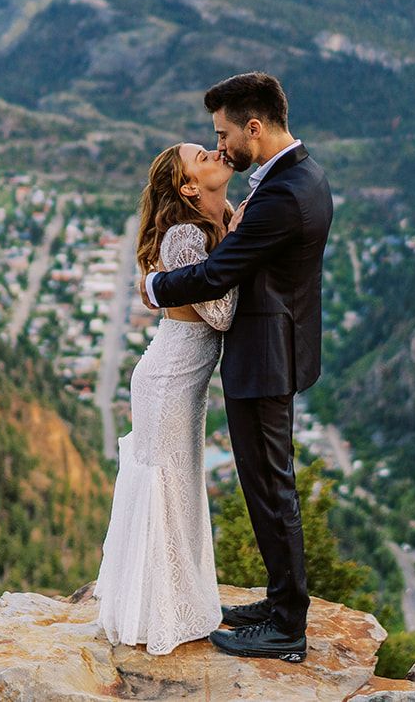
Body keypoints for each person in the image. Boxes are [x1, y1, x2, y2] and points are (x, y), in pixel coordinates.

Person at [143, 72, 333, 663]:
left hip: (265, 357)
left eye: (223, 133)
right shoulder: (297, 176)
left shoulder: (280, 194)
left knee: (271, 489)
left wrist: (155, 285)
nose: (220, 144)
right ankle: (280, 605)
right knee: (264, 485)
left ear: (255, 127)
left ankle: (287, 625)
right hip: (275, 349)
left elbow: (218, 274)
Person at [94, 140, 238, 655]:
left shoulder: (210, 229)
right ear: (188, 187)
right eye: (203, 157)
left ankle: (175, 603)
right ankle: (156, 613)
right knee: (166, 490)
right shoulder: (183, 237)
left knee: (177, 489)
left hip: (180, 381)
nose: (216, 155)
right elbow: (219, 316)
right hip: (167, 382)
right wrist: (239, 246)